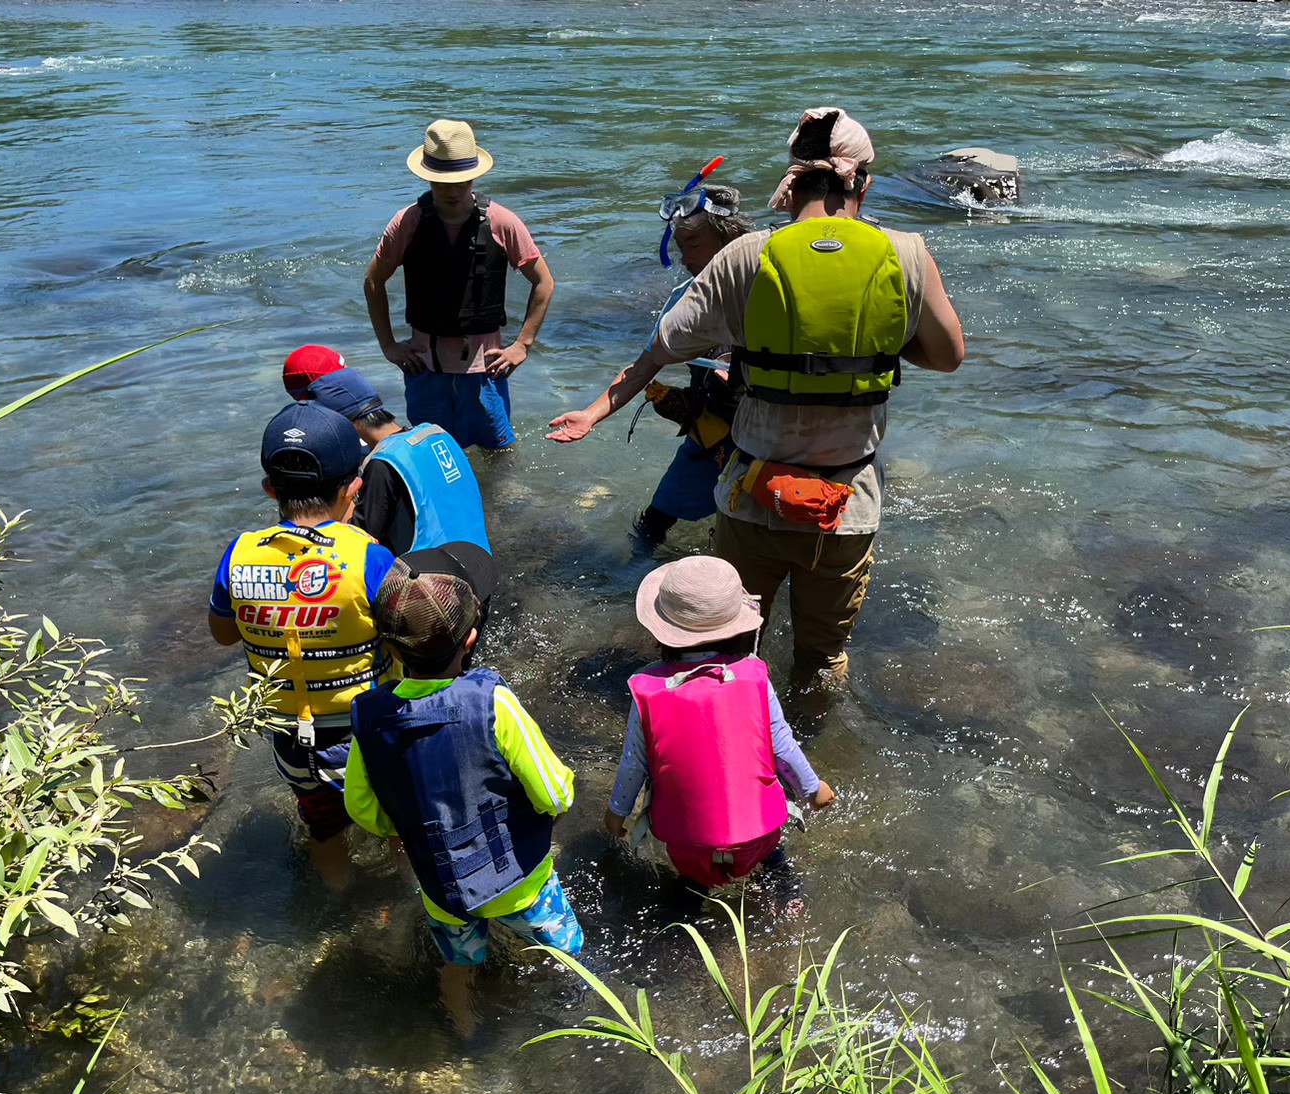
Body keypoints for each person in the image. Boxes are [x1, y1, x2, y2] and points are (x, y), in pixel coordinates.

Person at [546, 108, 965, 686]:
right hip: (846, 504)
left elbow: (656, 352)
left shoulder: (745, 257)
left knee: (730, 651)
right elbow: (948, 356)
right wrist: (875, 352)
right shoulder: (908, 253)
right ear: (862, 181)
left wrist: (593, 412)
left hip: (753, 498)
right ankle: (810, 760)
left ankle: (736, 754)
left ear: (791, 179)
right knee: (822, 661)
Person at [345, 561, 582, 989]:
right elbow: (554, 792)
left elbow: (362, 808)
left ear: (393, 651)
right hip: (521, 883)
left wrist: (403, 829)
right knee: (564, 960)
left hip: (442, 892)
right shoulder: (492, 703)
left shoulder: (368, 715)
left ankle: (462, 1027)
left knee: (460, 965)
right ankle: (576, 1008)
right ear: (470, 638)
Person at [207, 401, 400, 889]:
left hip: (292, 740)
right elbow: (405, 644)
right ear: (354, 488)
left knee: (323, 829)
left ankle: (340, 895)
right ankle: (394, 902)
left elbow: (223, 633)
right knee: (398, 819)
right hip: (364, 735)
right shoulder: (369, 559)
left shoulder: (239, 553)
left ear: (271, 489)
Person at [605, 556, 835, 891]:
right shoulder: (754, 676)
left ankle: (692, 918)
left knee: (692, 881)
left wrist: (617, 812)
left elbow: (633, 764)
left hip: (689, 843)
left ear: (662, 631)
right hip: (759, 833)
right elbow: (782, 744)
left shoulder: (646, 690)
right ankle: (788, 895)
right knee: (773, 857)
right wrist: (812, 789)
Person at [562, 181, 753, 549]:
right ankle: (635, 578)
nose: (685, 258)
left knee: (753, 527)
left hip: (764, 436)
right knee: (656, 519)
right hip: (710, 432)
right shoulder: (688, 300)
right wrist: (590, 415)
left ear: (730, 236)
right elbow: (644, 365)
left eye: (693, 245)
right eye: (680, 247)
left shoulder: (771, 284)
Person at [363, 119, 555, 452]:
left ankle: (499, 505)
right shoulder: (407, 222)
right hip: (425, 368)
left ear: (475, 176)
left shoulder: (501, 222)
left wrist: (522, 344)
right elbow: (373, 281)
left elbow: (544, 282)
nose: (452, 191)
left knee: (498, 454)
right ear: (427, 177)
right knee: (430, 451)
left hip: (484, 371)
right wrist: (389, 345)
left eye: (461, 182)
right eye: (442, 183)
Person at [281, 344, 492, 558]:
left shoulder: (382, 466)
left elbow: (360, 538)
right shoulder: (435, 433)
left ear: (347, 426)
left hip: (435, 583)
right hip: (481, 563)